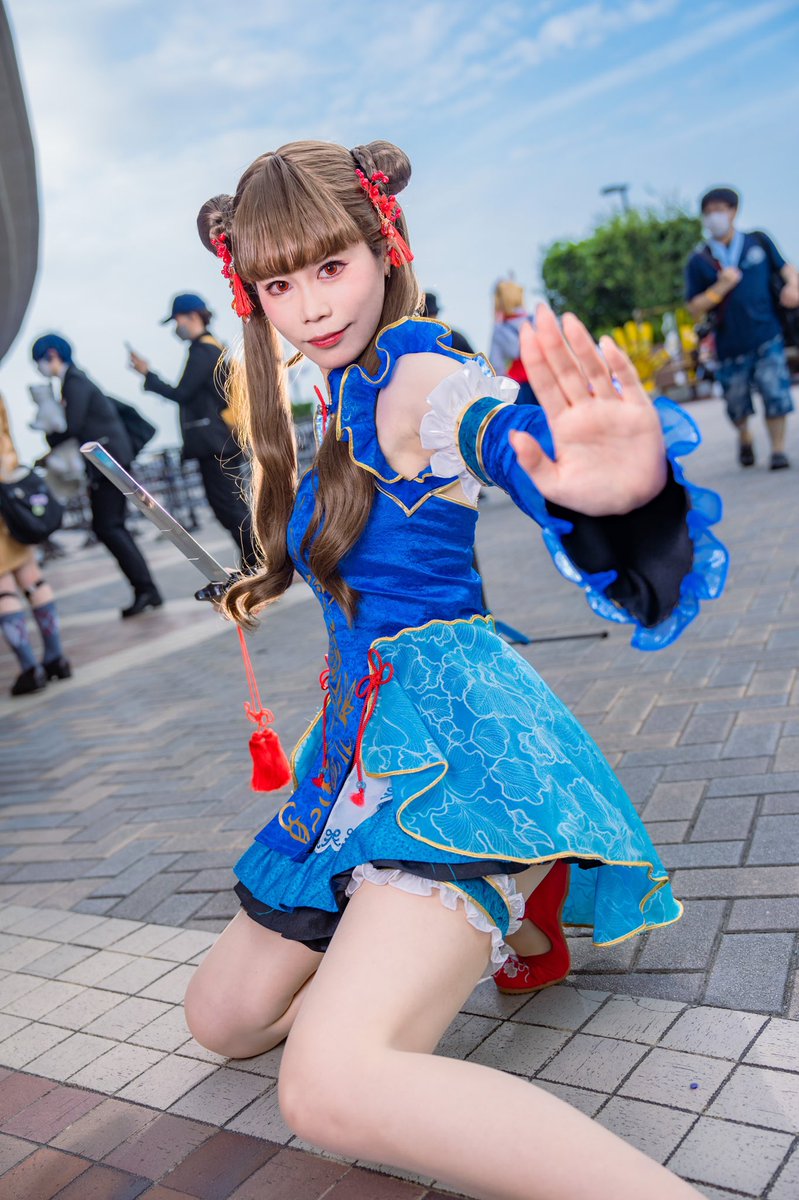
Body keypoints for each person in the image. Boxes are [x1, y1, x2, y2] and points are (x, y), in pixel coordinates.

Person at [182, 140, 726, 1200]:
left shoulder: (415, 370)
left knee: (327, 1089)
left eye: (329, 266)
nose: (309, 307)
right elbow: (358, 553)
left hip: (452, 751)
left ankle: (471, 909)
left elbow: (490, 429)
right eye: (279, 285)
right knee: (224, 1021)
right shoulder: (336, 390)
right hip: (355, 751)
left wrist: (585, 483)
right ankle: (447, 930)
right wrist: (255, 585)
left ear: (384, 248)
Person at [30, 335, 163, 618]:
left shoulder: (74, 382)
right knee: (111, 526)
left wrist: (47, 437)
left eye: (40, 360)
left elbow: (72, 426)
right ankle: (146, 589)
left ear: (52, 354)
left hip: (108, 464)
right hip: (107, 464)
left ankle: (146, 589)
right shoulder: (76, 381)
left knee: (109, 526)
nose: (40, 367)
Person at [129, 294, 257, 570]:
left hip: (215, 443)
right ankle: (254, 559)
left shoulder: (203, 351)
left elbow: (182, 393)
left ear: (192, 317)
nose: (176, 327)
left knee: (228, 507)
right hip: (222, 440)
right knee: (232, 505)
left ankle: (256, 560)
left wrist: (147, 374)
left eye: (177, 320)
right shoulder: (213, 347)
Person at [685, 186, 799, 470]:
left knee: (775, 393)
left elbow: (786, 268)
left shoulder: (757, 242)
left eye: (719, 210)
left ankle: (778, 451)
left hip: (766, 335)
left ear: (733, 211)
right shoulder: (699, 260)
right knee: (736, 404)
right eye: (708, 212)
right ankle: (745, 436)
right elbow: (693, 307)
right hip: (728, 344)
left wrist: (794, 286)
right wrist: (720, 288)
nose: (713, 217)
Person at [0, 393, 71, 695]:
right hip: (9, 492)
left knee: (3, 588)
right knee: (32, 578)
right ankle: (56, 659)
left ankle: (30, 669)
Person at [490, 279, 538, 404]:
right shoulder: (534, 321)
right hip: (542, 379)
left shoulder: (500, 329)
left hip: (520, 386)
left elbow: (496, 365)